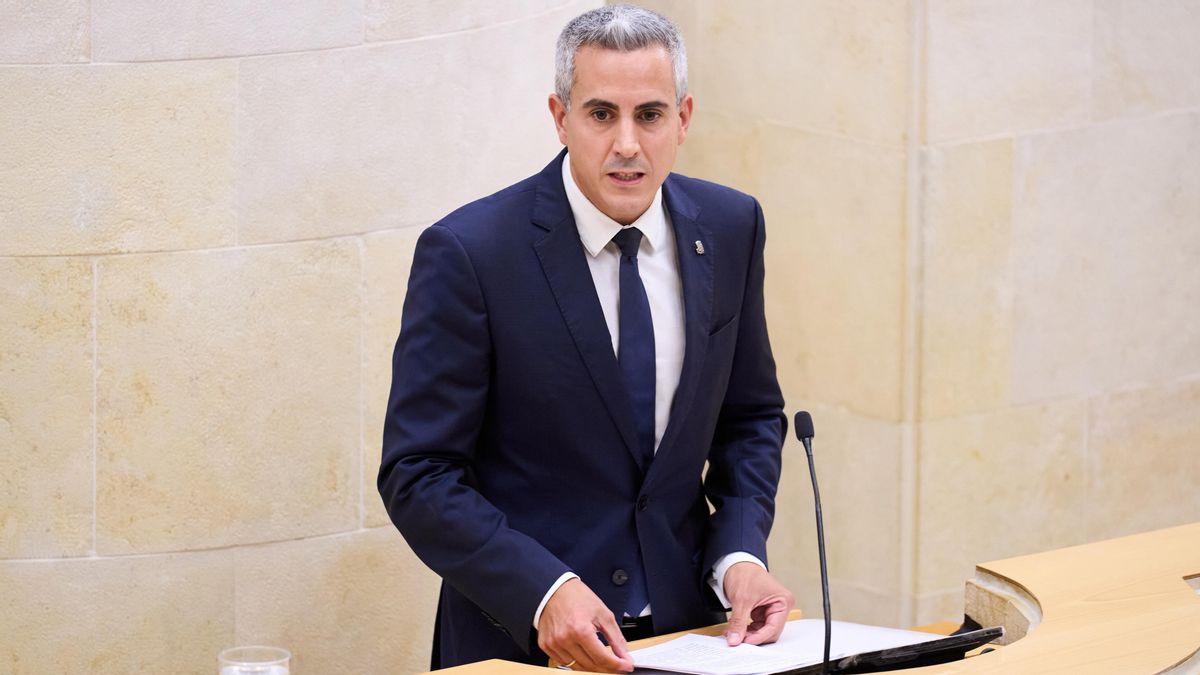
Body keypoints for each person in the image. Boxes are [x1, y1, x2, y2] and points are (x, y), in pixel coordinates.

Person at [379, 5, 793, 672]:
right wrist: (545, 591)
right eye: (602, 114)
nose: (627, 142)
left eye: (650, 115)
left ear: (683, 119)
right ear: (560, 116)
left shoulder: (731, 224)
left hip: (691, 641)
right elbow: (419, 474)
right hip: (521, 646)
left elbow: (749, 419)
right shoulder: (470, 253)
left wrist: (739, 556)